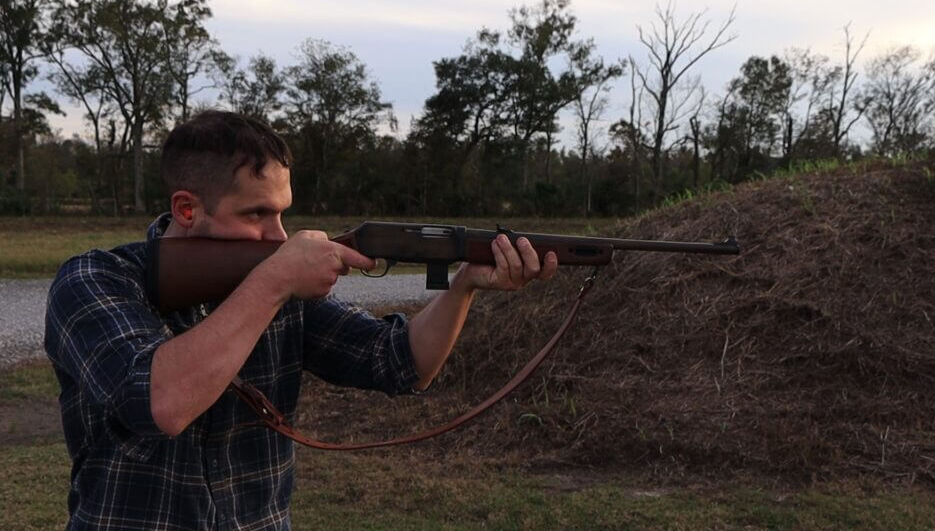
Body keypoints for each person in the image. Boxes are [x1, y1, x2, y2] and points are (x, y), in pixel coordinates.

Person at [44, 110, 558, 530]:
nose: (278, 236)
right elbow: (162, 403)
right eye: (256, 215)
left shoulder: (275, 287)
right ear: (185, 209)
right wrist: (272, 282)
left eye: (283, 214)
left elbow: (401, 363)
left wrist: (465, 282)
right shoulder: (95, 280)